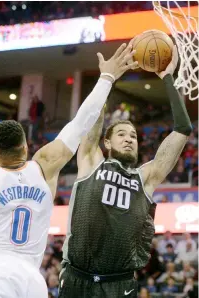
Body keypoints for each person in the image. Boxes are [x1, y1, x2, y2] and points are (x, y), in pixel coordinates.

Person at [0, 43, 137, 298]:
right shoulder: (45, 167)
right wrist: (107, 78)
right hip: (33, 279)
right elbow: (80, 122)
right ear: (25, 147)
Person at [59, 46, 192, 298]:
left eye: (133, 135)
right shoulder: (91, 161)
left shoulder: (146, 177)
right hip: (77, 279)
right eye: (121, 134)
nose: (129, 139)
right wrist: (107, 79)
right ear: (106, 142)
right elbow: (91, 119)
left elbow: (183, 129)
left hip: (120, 285)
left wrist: (167, 78)